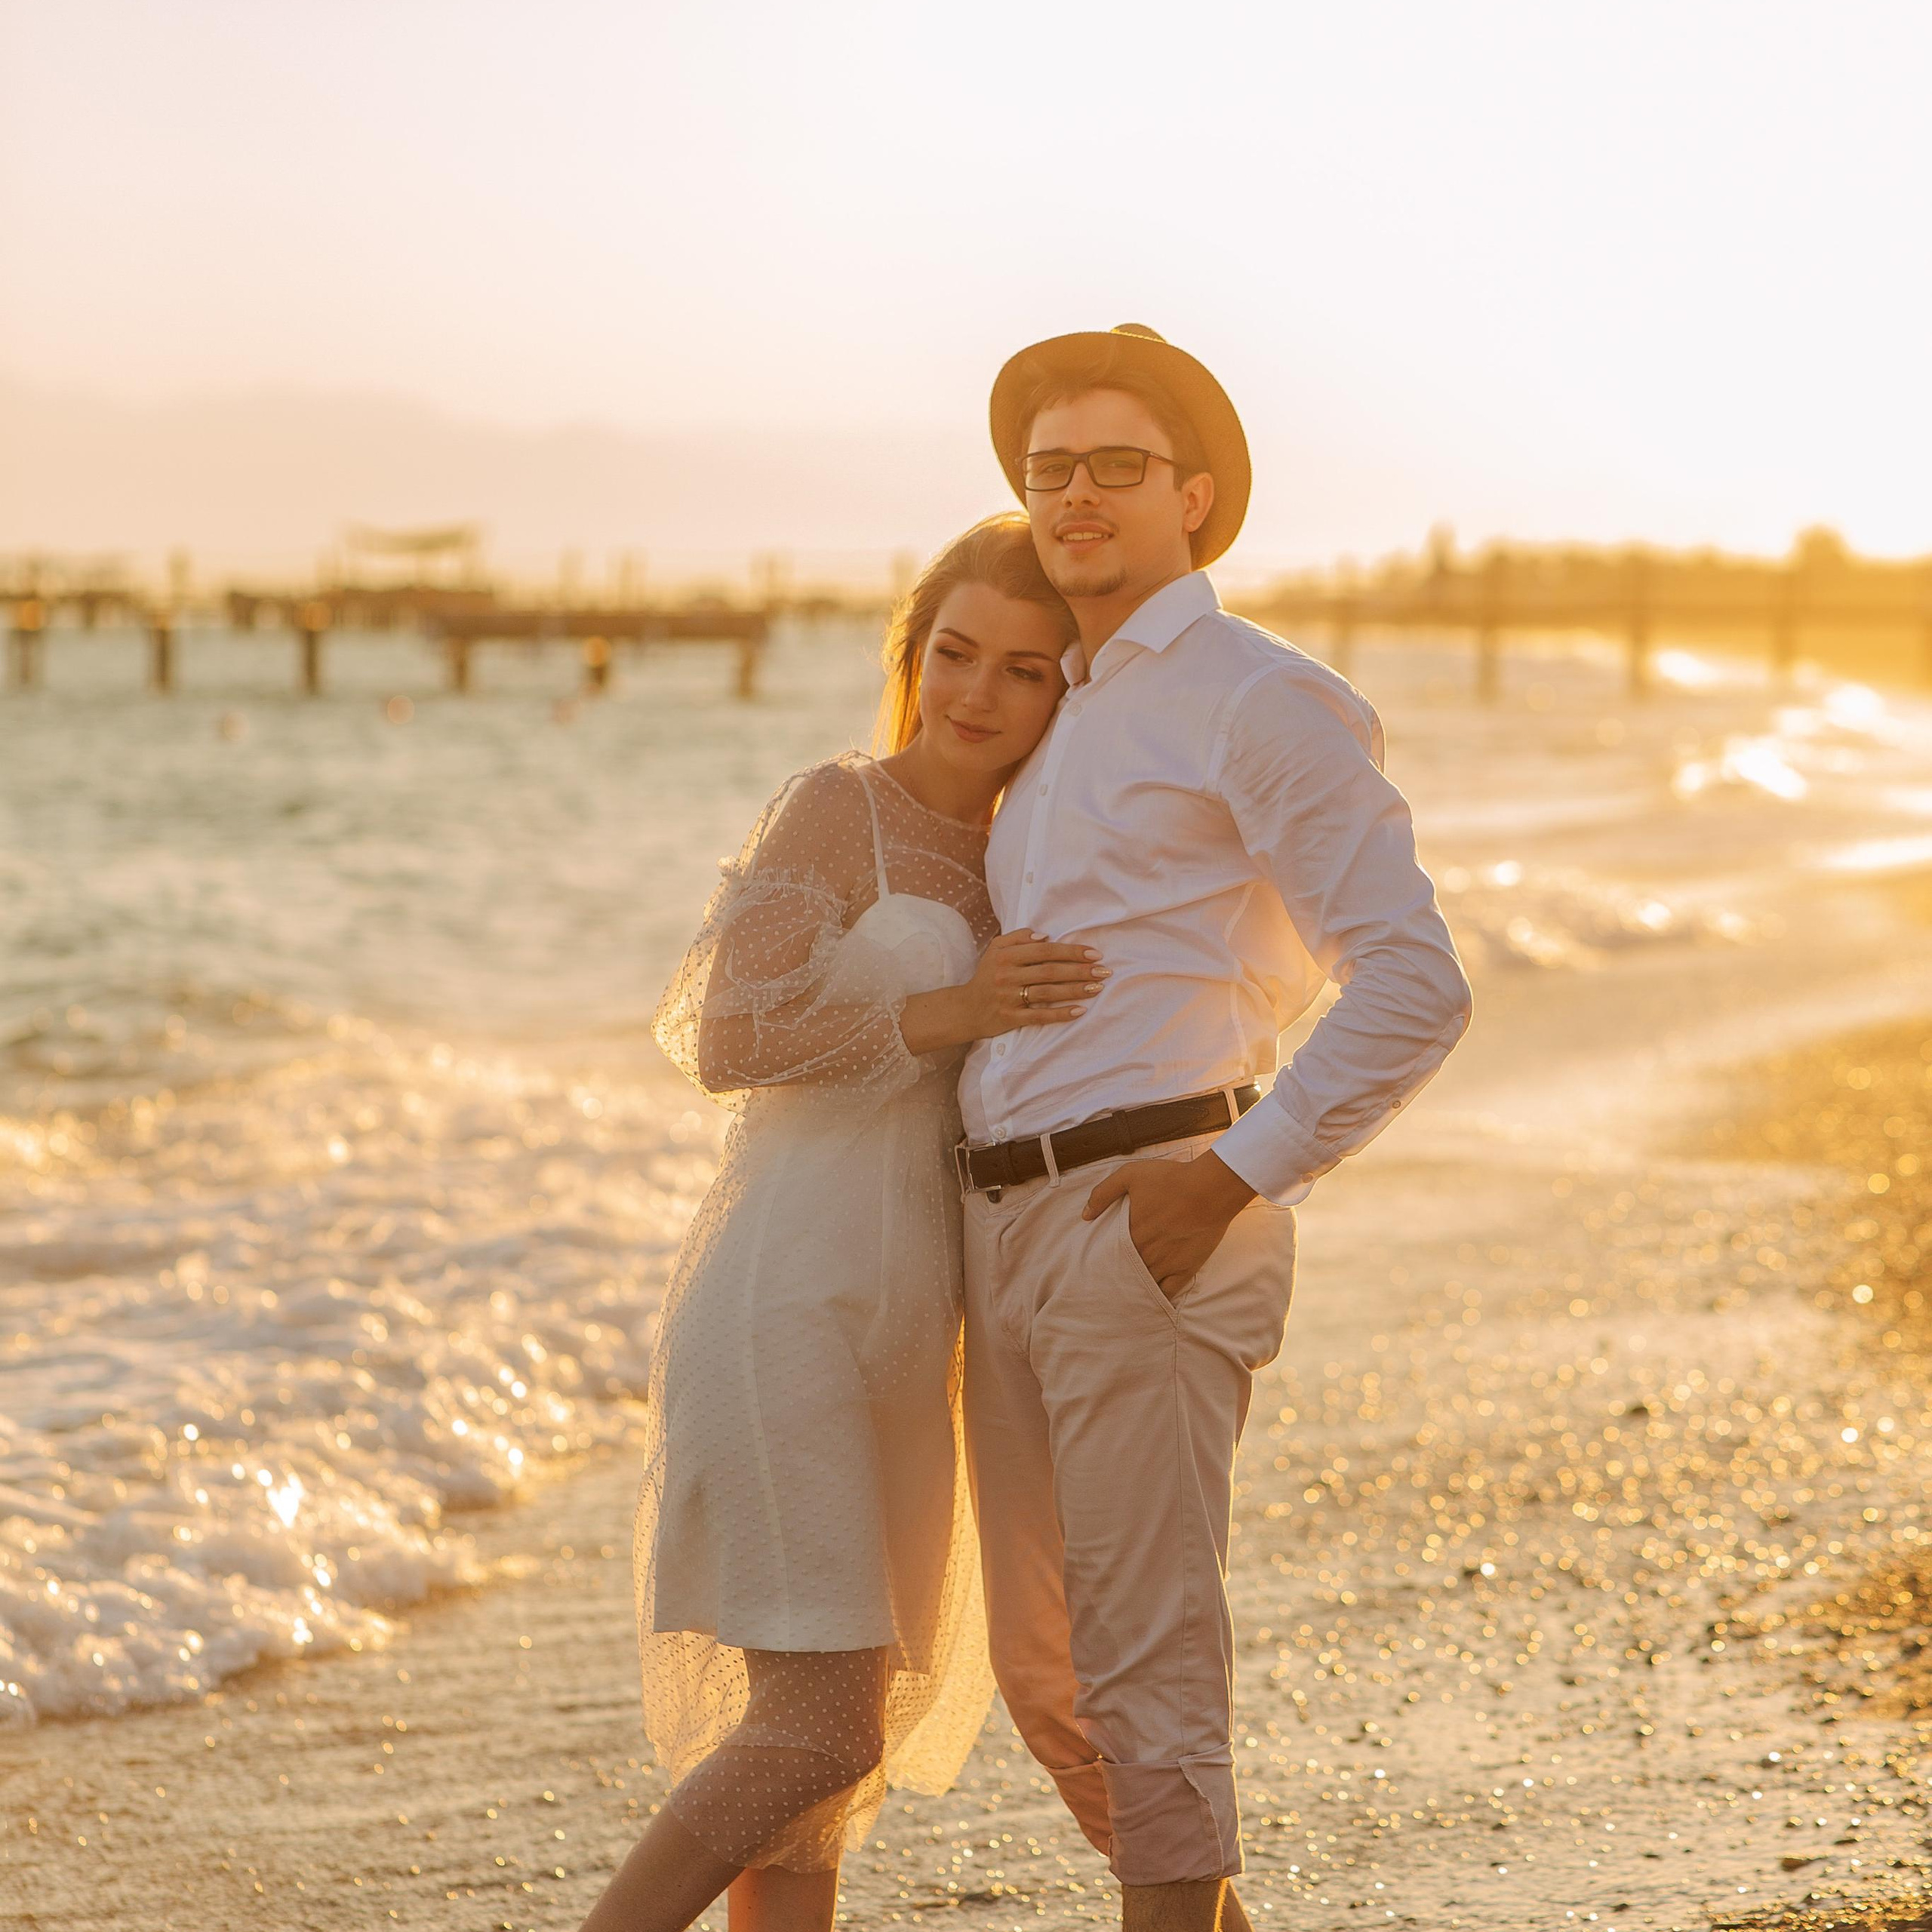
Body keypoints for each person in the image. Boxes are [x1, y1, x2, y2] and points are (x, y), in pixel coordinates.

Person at [956, 326, 1474, 1932]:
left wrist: (1229, 1176)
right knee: (1044, 1669)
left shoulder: (1259, 699)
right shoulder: (1066, 714)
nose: (1076, 495)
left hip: (1148, 1205)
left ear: (1194, 493)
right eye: (1050, 469)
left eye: (1116, 465)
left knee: (1142, 1659)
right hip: (1000, 1228)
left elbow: (1412, 977)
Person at [580, 515, 1095, 1932]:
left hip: (909, 1331)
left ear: (1071, 691)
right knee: (820, 1726)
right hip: (781, 1300)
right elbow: (725, 1031)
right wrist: (954, 1007)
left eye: (1026, 671)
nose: (978, 694)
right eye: (955, 653)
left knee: (817, 1795)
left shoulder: (1026, 861)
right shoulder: (837, 805)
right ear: (912, 654)